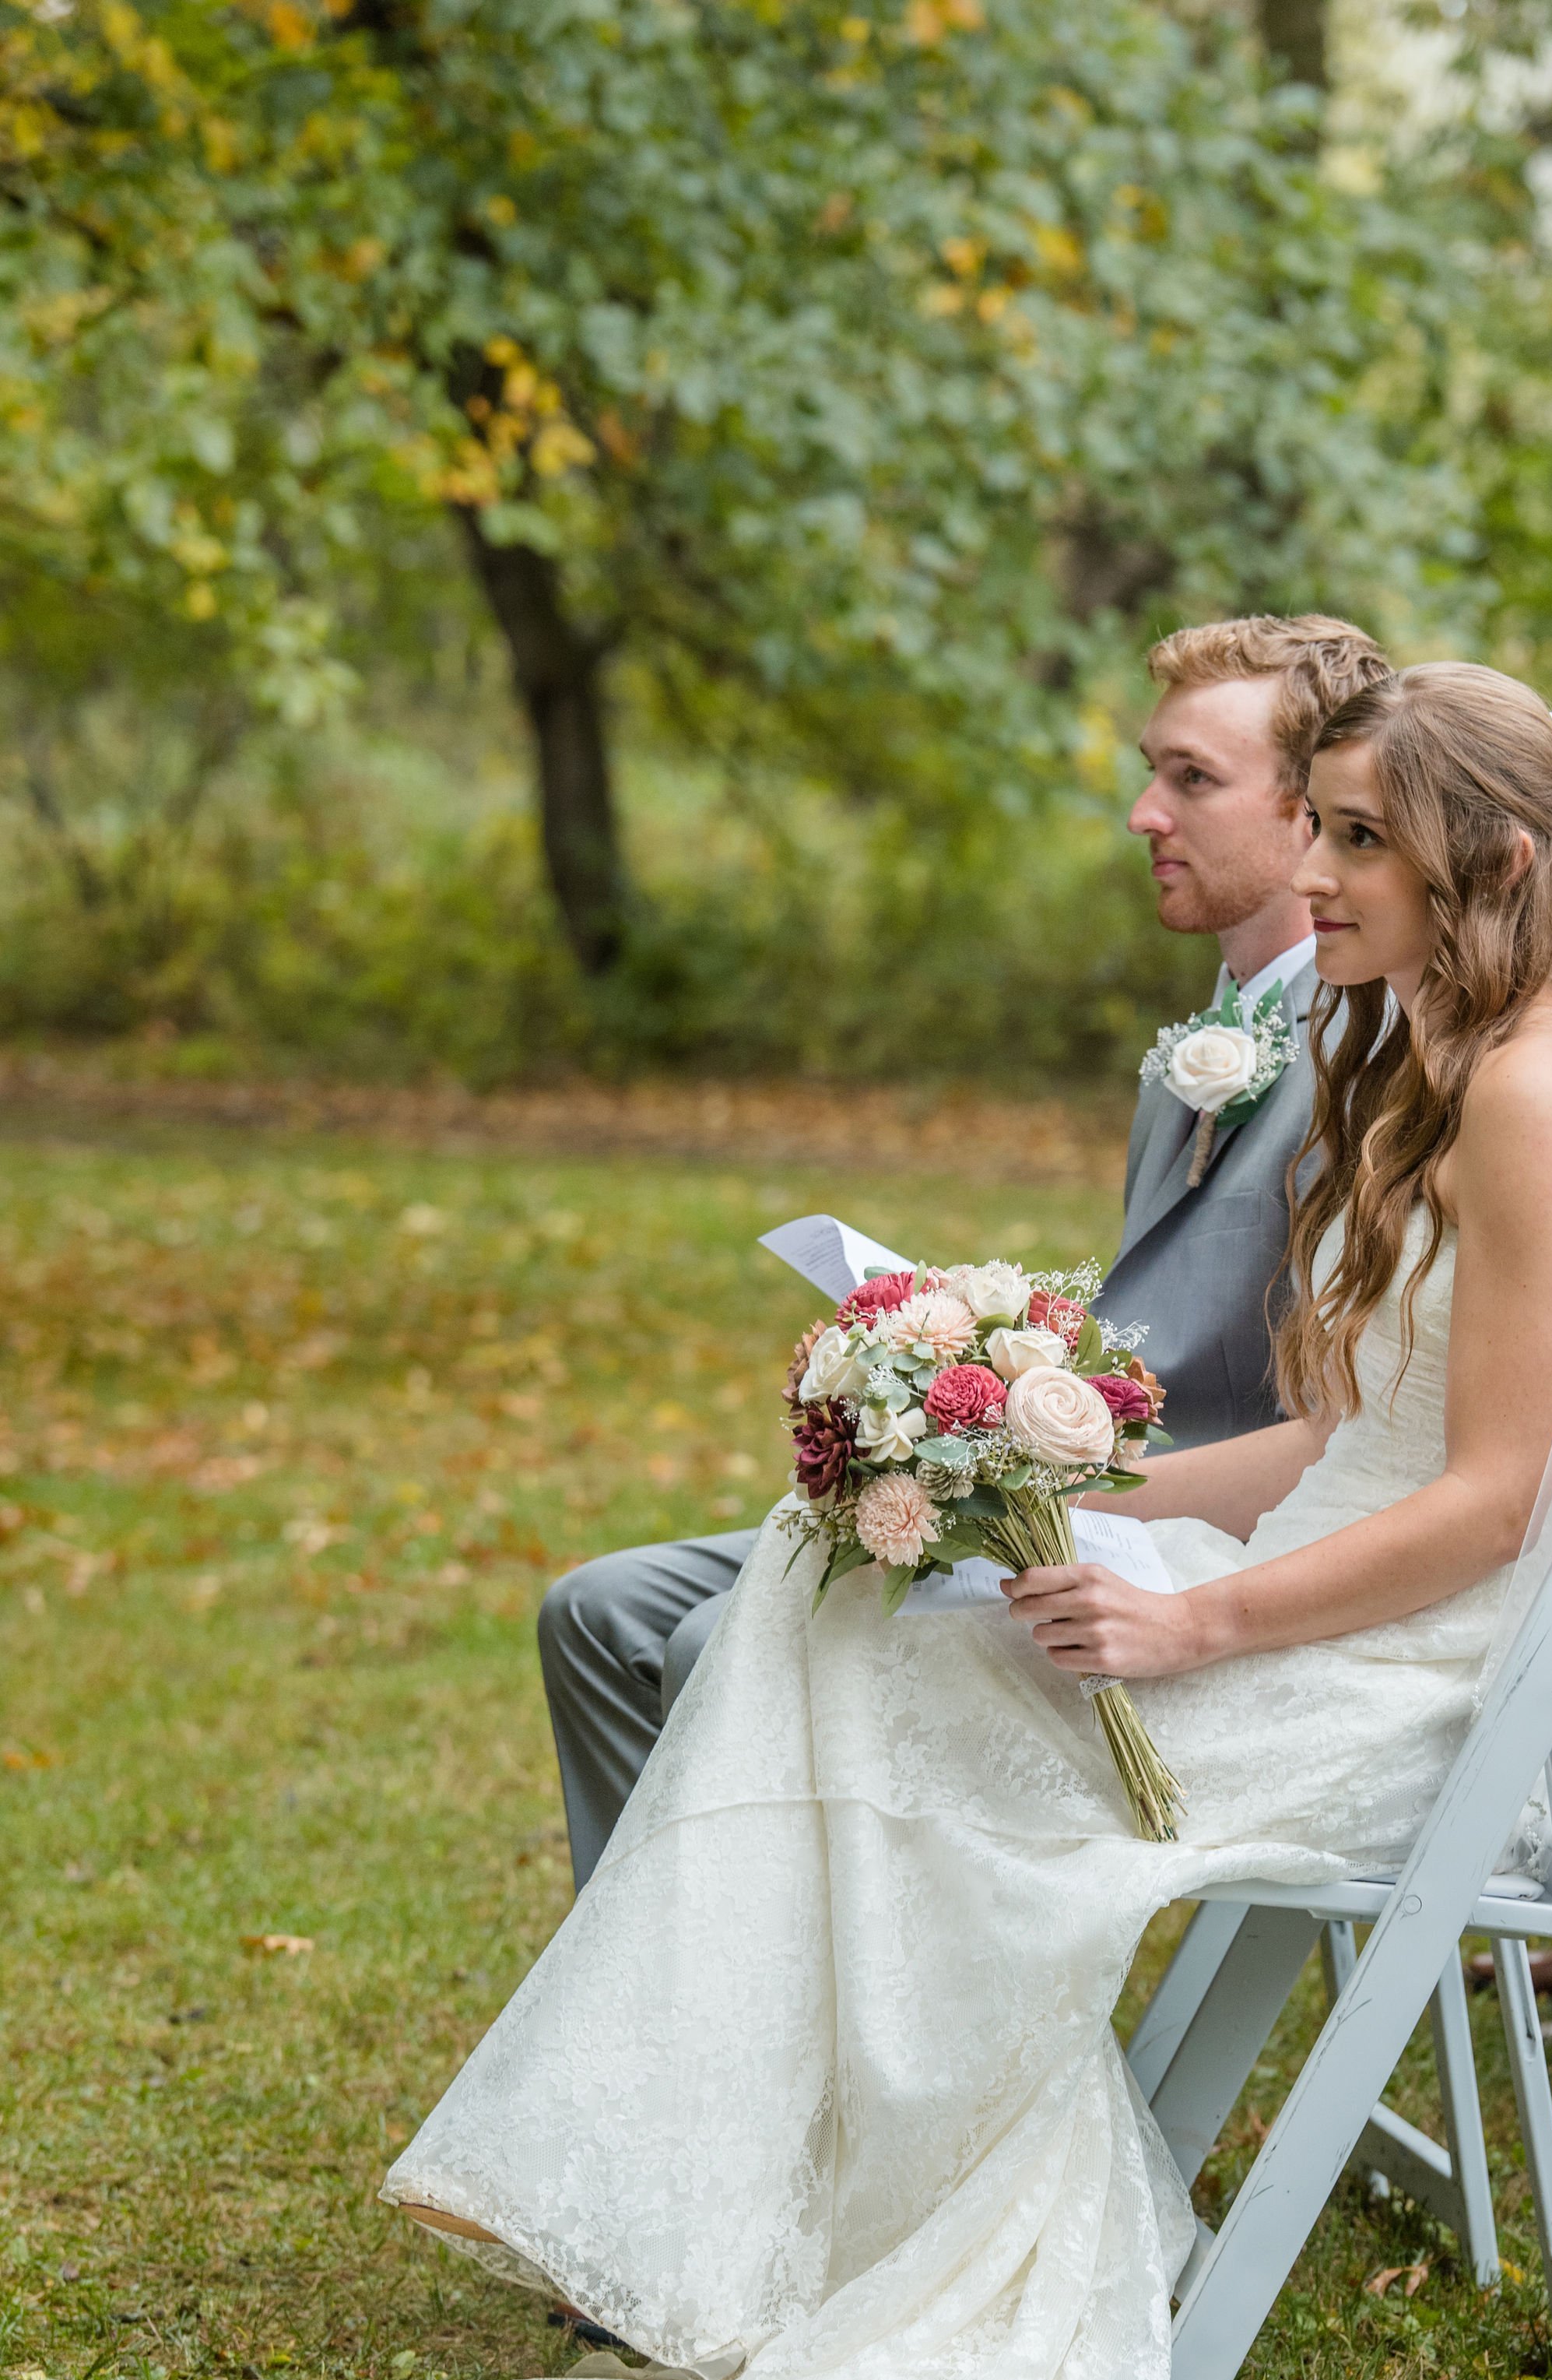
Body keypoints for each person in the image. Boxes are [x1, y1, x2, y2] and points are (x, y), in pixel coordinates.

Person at [171, 670, 1552, 2380]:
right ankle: (726, 2176)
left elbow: (1494, 1496)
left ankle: (791, 2205)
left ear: (1492, 863)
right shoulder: (1432, 1052)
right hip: (1327, 1567)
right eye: (1321, 827)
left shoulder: (1534, 1089)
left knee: (871, 1667)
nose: (1315, 876)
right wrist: (1081, 1477)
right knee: (839, 1591)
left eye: (1356, 837)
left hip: (1394, 1661)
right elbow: (1342, 1446)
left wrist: (1187, 1615)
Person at [537, 613, 1392, 1893]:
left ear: (1310, 814)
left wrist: (1032, 1486)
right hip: (1079, 1495)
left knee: (725, 1640)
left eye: (1191, 780)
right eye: (1151, 768)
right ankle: (656, 1993)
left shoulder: (1372, 1057)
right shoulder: (1199, 1053)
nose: (1142, 814)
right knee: (598, 1612)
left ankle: (782, 2010)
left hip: (1205, 1548)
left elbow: (1333, 1420)